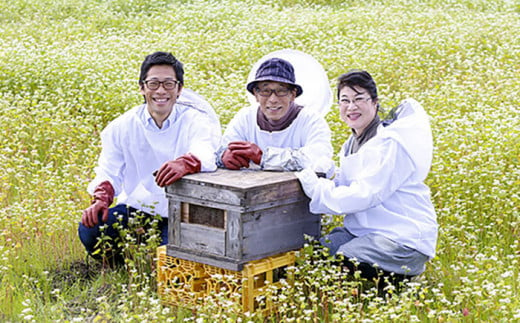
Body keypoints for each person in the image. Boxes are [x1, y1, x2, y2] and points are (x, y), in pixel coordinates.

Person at [296, 70, 438, 290]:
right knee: (320, 251)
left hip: (402, 237)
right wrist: (325, 175)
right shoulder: (351, 143)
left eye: (359, 99)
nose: (351, 107)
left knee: (347, 258)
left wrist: (318, 190)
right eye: (345, 101)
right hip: (367, 231)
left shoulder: (388, 144)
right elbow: (347, 186)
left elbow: (365, 194)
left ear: (374, 102)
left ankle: (398, 287)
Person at [78, 51, 221, 264]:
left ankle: (160, 259)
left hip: (179, 213)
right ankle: (121, 268)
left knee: (173, 262)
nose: (161, 91)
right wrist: (102, 197)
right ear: (142, 87)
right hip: (136, 209)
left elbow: (207, 152)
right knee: (91, 229)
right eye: (153, 83)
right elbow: (109, 169)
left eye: (169, 84)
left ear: (180, 89)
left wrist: (186, 163)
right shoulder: (121, 127)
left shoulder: (195, 120)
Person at [216, 57, 333, 174]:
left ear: (293, 94)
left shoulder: (311, 121)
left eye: (281, 91)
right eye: (265, 91)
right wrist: (224, 156)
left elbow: (319, 159)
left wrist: (264, 157)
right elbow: (222, 148)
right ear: (256, 95)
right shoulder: (245, 118)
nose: (273, 99)